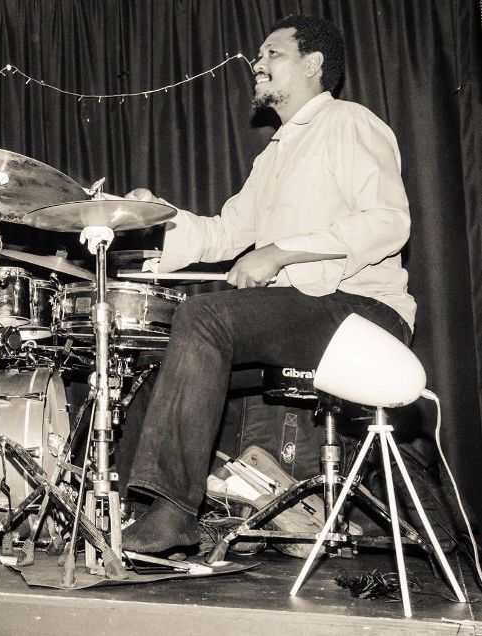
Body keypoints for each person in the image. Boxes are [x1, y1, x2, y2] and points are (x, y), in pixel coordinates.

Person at [120, 14, 415, 553]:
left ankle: (173, 515)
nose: (257, 64)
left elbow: (387, 222)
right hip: (310, 312)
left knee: (204, 316)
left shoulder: (348, 122)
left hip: (362, 313)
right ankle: (135, 512)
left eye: (272, 53)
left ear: (313, 64)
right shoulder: (274, 155)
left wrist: (279, 252)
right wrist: (156, 215)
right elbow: (224, 233)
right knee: (156, 360)